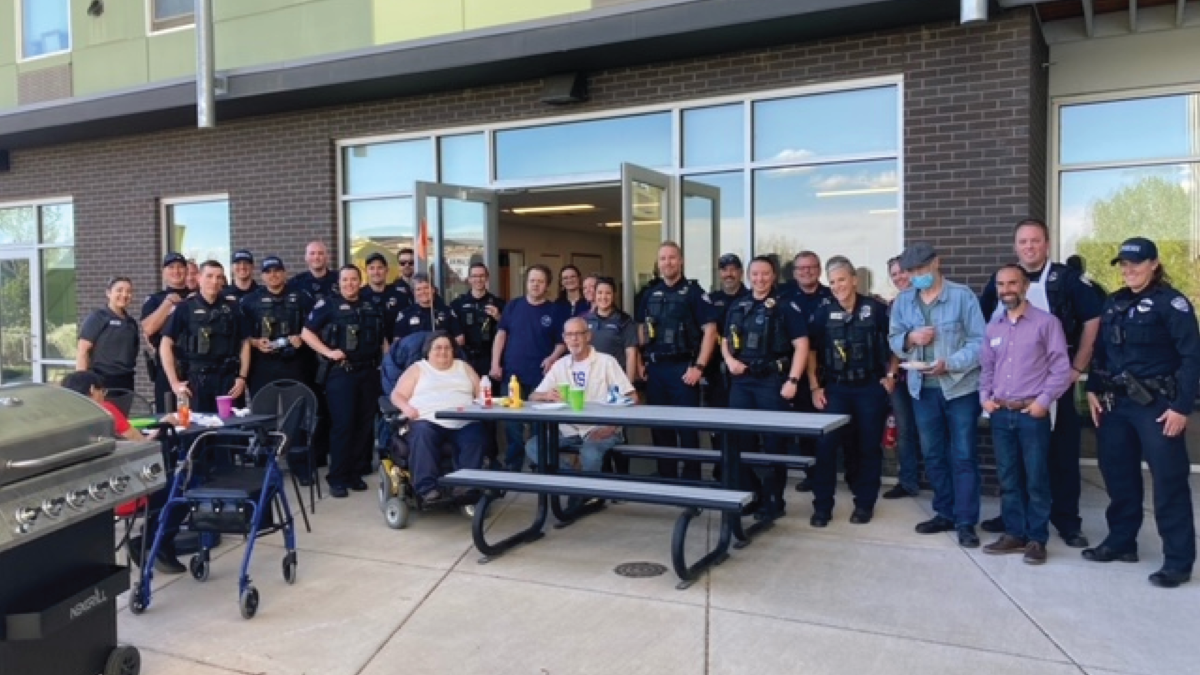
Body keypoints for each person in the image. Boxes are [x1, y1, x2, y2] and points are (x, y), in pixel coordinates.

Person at [978, 218, 1103, 548]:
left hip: (1053, 385)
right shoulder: (1001, 281)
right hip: (1011, 390)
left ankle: (1066, 521)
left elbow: (1094, 320)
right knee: (1013, 464)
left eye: (1035, 241)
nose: (1029, 247)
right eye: (1023, 242)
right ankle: (1013, 521)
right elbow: (987, 324)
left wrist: (1078, 367)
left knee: (1061, 457)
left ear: (1046, 245)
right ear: (1015, 246)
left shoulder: (1067, 279)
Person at [1084, 237, 1200, 588]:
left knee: (1168, 481)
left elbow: (1192, 358)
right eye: (1124, 264)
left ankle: (1178, 562)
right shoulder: (1114, 303)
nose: (1129, 270)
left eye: (1136, 263)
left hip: (1158, 406)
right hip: (1116, 405)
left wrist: (1182, 407)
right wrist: (1091, 387)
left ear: (1154, 263)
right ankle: (1122, 542)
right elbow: (1101, 350)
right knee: (1118, 476)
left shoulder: (1172, 304)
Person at [888, 242, 985, 548]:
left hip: (960, 389)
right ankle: (944, 512)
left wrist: (950, 364)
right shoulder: (904, 301)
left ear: (936, 263)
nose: (917, 276)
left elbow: (980, 342)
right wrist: (909, 338)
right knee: (933, 454)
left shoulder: (962, 296)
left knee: (964, 455)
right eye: (912, 271)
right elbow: (894, 339)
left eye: (921, 269)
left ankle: (966, 521)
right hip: (922, 390)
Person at [979, 264, 1072, 565]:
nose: (1006, 289)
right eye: (1001, 285)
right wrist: (985, 398)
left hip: (1032, 414)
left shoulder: (1047, 323)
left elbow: (1060, 369)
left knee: (1036, 479)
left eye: (1012, 283)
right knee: (1008, 478)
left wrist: (1044, 401)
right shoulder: (994, 327)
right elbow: (987, 369)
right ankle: (1014, 533)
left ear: (1025, 286)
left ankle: (1036, 539)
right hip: (1001, 414)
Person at [806, 257, 892, 526]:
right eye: (832, 282)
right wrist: (814, 386)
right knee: (826, 446)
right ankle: (822, 507)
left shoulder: (876, 309)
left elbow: (895, 342)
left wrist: (891, 374)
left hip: (869, 387)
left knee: (868, 447)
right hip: (836, 388)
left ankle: (864, 505)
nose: (837, 286)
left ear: (854, 280)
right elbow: (811, 351)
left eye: (842, 279)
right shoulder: (823, 312)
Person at [722, 256, 809, 518]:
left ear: (773, 277)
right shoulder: (739, 305)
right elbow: (725, 340)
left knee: (773, 443)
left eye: (765, 274)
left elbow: (802, 345)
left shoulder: (786, 306)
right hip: (742, 381)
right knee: (741, 440)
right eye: (755, 274)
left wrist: (793, 380)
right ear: (748, 277)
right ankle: (752, 495)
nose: (760, 279)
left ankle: (774, 501)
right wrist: (729, 361)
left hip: (772, 381)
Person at [301, 265, 386, 498]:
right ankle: (337, 477)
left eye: (353, 279)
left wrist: (385, 365)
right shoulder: (327, 305)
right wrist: (328, 352)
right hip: (342, 373)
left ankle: (353, 473)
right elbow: (306, 333)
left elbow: (382, 340)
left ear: (360, 281)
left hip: (368, 372)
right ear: (339, 282)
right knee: (343, 425)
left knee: (363, 426)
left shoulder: (371, 305)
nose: (349, 283)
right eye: (345, 279)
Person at [637, 241, 718, 481]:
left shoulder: (694, 293)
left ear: (681, 261)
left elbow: (710, 332)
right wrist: (641, 360)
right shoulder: (650, 293)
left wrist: (699, 367)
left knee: (687, 428)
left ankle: (691, 478)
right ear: (658, 263)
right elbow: (641, 329)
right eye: (663, 258)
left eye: (672, 257)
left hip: (684, 369)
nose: (668, 262)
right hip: (656, 369)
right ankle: (667, 476)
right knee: (660, 428)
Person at [526, 317, 637, 473]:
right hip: (569, 429)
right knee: (533, 446)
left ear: (588, 336)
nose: (574, 339)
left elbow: (632, 397)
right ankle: (575, 482)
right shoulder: (560, 364)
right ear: (564, 338)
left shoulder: (606, 362)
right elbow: (532, 396)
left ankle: (584, 491)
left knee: (590, 454)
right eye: (569, 334)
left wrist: (612, 426)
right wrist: (547, 395)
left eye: (578, 333)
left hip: (600, 428)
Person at [389, 332, 485, 502]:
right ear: (428, 351)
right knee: (423, 432)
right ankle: (426, 488)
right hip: (428, 420)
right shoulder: (418, 368)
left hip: (462, 421)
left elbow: (481, 393)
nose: (443, 351)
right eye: (438, 348)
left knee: (476, 432)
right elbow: (396, 395)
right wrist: (407, 408)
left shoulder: (463, 367)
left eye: (447, 347)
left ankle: (466, 486)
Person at [491, 264, 566, 471]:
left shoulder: (555, 311)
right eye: (532, 280)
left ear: (547, 285)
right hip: (511, 374)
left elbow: (562, 342)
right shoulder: (513, 306)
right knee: (512, 424)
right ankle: (513, 465)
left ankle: (537, 464)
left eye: (540, 281)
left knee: (537, 425)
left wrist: (552, 358)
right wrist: (495, 363)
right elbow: (501, 335)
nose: (535, 285)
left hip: (541, 376)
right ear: (526, 282)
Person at [160, 260, 251, 413]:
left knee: (231, 432)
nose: (214, 281)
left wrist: (242, 378)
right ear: (199, 278)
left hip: (227, 381)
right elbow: (165, 344)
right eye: (209, 276)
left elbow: (245, 343)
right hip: (196, 382)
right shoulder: (184, 308)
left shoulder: (233, 308)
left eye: (219, 277)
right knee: (197, 431)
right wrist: (174, 383)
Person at [784, 250, 833, 492]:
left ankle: (827, 476)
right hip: (796, 373)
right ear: (794, 273)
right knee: (804, 429)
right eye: (801, 268)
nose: (806, 271)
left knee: (828, 429)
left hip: (828, 371)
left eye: (811, 267)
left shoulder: (831, 295)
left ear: (819, 269)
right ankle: (811, 475)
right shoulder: (784, 297)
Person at [240, 256, 314, 397]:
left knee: (296, 410)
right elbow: (241, 334)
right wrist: (255, 342)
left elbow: (315, 328)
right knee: (263, 410)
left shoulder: (302, 297)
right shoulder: (249, 301)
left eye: (277, 270)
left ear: (285, 273)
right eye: (268, 272)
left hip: (296, 363)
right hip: (263, 365)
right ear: (262, 276)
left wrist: (302, 339)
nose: (273, 275)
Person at [882, 255, 922, 500]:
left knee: (932, 432)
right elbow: (893, 344)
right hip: (900, 379)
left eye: (902, 272)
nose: (899, 278)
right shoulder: (893, 305)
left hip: (928, 376)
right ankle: (908, 482)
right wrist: (890, 373)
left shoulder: (926, 299)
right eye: (894, 274)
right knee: (905, 430)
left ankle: (944, 484)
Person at [140, 252, 191, 412]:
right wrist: (168, 303)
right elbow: (148, 328)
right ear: (163, 272)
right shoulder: (155, 299)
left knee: (197, 417)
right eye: (171, 267)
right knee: (168, 417)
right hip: (168, 367)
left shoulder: (196, 296)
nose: (176, 271)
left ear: (186, 270)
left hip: (195, 366)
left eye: (180, 267)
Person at [77, 276, 141, 391]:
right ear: (108, 293)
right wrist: (82, 384)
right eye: (119, 290)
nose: (124, 295)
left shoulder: (132, 323)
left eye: (129, 291)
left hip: (126, 382)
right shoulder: (98, 317)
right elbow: (83, 351)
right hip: (101, 381)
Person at [451, 262, 504, 378]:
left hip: (489, 357)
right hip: (465, 357)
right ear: (469, 279)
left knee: (490, 393)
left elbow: (508, 329)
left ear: (487, 278)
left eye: (481, 276)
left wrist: (498, 317)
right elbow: (450, 328)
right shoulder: (458, 304)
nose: (478, 279)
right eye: (474, 276)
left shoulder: (498, 303)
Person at [61, 370, 143, 441]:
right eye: (102, 391)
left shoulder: (62, 413)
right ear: (92, 389)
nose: (104, 396)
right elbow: (134, 438)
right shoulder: (104, 409)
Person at [393, 274, 464, 344]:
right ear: (414, 293)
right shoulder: (406, 314)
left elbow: (460, 339)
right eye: (418, 289)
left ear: (433, 289)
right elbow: (398, 342)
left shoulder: (447, 311)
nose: (423, 292)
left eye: (426, 288)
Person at [360, 252, 410, 345]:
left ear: (387, 270)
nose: (376, 272)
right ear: (366, 271)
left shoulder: (400, 296)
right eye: (372, 268)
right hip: (367, 350)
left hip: (396, 349)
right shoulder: (359, 296)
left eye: (380, 268)